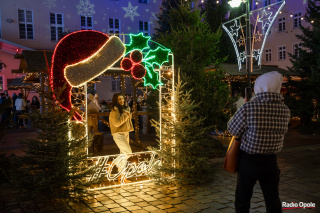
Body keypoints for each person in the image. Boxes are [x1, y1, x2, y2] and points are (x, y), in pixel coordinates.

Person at [227, 71, 290, 213]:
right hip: (271, 161)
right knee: (272, 198)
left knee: (243, 198)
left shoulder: (249, 107)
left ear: (259, 87)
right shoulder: (285, 110)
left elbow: (232, 129)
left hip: (249, 160)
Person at [109, 93, 134, 183]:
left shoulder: (124, 109)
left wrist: (127, 114)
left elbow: (126, 120)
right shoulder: (114, 111)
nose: (122, 100)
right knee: (128, 153)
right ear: (116, 100)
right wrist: (126, 115)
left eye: (123, 99)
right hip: (118, 134)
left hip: (125, 132)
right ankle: (113, 163)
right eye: (119, 99)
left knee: (123, 155)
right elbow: (116, 123)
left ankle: (122, 177)